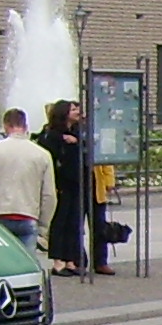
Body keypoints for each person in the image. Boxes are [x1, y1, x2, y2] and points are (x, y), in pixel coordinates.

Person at [0, 109, 54, 249]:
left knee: (0, 259)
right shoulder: (43, 155)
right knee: (26, 259)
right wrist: (43, 225)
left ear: (5, 126)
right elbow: (49, 195)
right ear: (26, 126)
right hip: (28, 215)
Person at [37, 98, 90, 277]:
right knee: (60, 221)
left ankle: (71, 259)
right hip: (61, 184)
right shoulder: (52, 134)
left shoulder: (77, 131)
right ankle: (58, 261)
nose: (77, 112)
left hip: (77, 183)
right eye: (73, 109)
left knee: (74, 222)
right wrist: (62, 140)